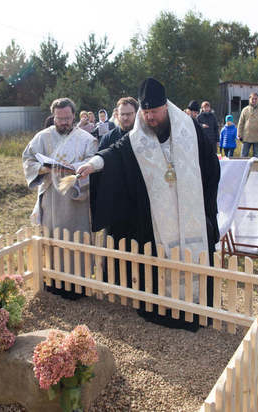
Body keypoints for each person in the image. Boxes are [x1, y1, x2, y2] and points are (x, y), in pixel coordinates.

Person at [77, 78, 220, 331]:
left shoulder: (189, 127)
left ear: (165, 107)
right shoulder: (139, 134)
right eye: (146, 112)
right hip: (158, 215)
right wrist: (94, 164)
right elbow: (118, 152)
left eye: (154, 112)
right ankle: (163, 307)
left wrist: (203, 197)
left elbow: (210, 164)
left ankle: (197, 305)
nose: (150, 117)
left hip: (191, 208)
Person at [22, 97, 98, 296]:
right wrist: (43, 168)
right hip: (51, 197)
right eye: (59, 118)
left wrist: (75, 170)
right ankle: (54, 279)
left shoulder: (86, 139)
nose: (63, 122)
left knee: (76, 239)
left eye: (67, 118)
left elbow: (92, 160)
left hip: (75, 198)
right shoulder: (42, 137)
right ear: (53, 116)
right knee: (52, 236)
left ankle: (78, 283)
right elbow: (28, 159)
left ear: (74, 115)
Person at [237, 93, 258, 158]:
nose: (254, 100)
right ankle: (243, 168)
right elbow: (241, 123)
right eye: (252, 99)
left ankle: (254, 168)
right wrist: (239, 133)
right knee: (243, 156)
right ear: (249, 99)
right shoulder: (245, 110)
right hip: (246, 137)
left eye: (255, 99)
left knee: (256, 157)